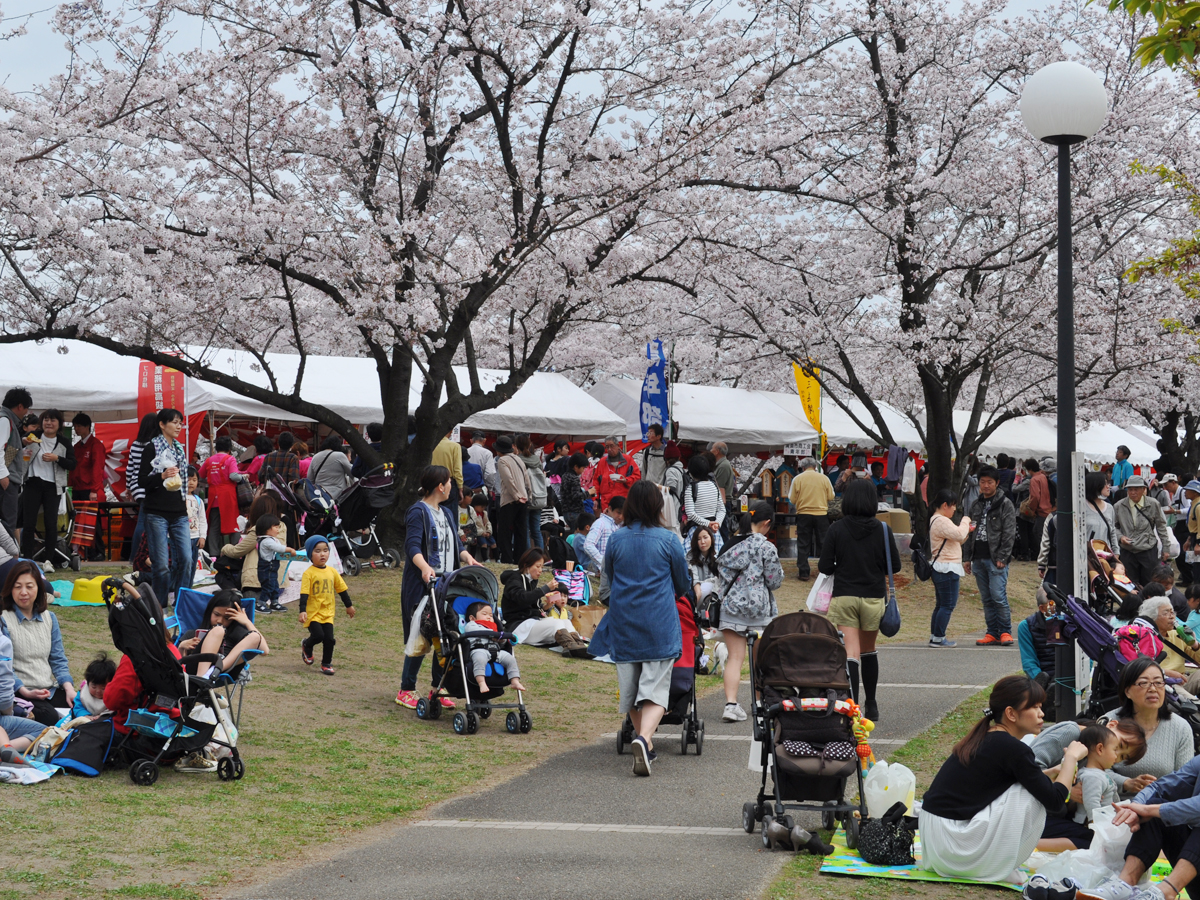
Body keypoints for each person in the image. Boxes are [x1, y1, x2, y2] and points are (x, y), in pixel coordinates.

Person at [918, 675, 1085, 883]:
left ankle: (992, 862)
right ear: (1011, 714)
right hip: (954, 848)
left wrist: (1050, 772)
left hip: (937, 845)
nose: (1041, 713)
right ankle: (995, 865)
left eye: (1041, 707)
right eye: (1034, 707)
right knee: (1030, 796)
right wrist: (1071, 758)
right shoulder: (1013, 748)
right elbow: (1055, 800)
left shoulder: (988, 737)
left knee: (1026, 787)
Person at [589, 480, 691, 777]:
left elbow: (607, 584)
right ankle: (644, 740)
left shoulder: (616, 539)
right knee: (656, 689)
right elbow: (682, 584)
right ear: (657, 506)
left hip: (624, 621)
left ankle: (645, 743)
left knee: (631, 689)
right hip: (659, 621)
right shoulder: (668, 539)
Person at [394, 466, 479, 710]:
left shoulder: (447, 513)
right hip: (423, 584)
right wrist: (424, 568)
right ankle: (406, 689)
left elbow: (456, 545)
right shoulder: (417, 512)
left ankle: (438, 687)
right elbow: (412, 547)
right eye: (450, 481)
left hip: (446, 583)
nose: (452, 486)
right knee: (421, 632)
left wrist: (468, 559)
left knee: (445, 633)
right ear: (441, 486)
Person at [817, 478, 900, 721]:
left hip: (845, 596)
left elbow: (824, 566)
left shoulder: (836, 529)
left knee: (850, 652)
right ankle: (871, 704)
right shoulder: (883, 529)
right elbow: (894, 566)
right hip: (873, 596)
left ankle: (852, 706)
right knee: (869, 650)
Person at [716, 501, 784, 723]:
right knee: (759, 660)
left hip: (731, 609)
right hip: (758, 612)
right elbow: (774, 581)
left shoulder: (728, 545)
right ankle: (759, 703)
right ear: (766, 523)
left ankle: (731, 705)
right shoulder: (765, 547)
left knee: (734, 658)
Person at [1038, 722, 1147, 852]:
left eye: (1122, 757)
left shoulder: (1093, 760)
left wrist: (1127, 783)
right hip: (1035, 813)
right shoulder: (1070, 733)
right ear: (1112, 724)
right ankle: (1029, 845)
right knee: (1094, 841)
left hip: (1053, 813)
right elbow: (1027, 772)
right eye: (1119, 746)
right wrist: (1066, 790)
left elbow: (1105, 780)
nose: (1117, 755)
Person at [1107, 657, 1195, 798]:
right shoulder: (1110, 723)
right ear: (1127, 691)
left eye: (1158, 683)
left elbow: (1185, 779)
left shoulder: (1180, 727)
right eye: (1143, 683)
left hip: (1162, 806)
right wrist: (1126, 783)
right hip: (1115, 805)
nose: (1153, 689)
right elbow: (1093, 770)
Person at [1, 560, 75, 725]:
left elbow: (58, 659)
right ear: (10, 589)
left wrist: (69, 688)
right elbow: (5, 668)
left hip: (48, 691)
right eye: (18, 587)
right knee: (49, 717)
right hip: (19, 692)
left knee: (80, 707)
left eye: (29, 586)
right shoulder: (3, 620)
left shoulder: (50, 618)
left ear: (39, 588)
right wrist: (25, 691)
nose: (24, 592)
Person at [140, 408, 191, 607]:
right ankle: (159, 606)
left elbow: (184, 481)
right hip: (156, 512)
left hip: (179, 512)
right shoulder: (151, 448)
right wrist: (161, 476)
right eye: (174, 422)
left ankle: (180, 603)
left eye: (180, 423)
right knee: (161, 565)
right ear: (162, 424)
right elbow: (142, 480)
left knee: (186, 559)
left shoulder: (179, 449)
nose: (178, 427)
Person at [963, 464, 1017, 647]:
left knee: (998, 596)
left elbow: (1009, 532)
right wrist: (967, 557)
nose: (985, 485)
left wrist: (1003, 556)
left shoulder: (1005, 504)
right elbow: (970, 531)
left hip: (996, 559)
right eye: (982, 482)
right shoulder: (976, 504)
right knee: (986, 598)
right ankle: (992, 632)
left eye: (989, 482)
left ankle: (1005, 632)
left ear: (997, 483)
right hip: (978, 557)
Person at [19, 408, 77, 569]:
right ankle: (28, 559)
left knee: (51, 523)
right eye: (46, 420)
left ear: (59, 424)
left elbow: (72, 464)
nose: (49, 423)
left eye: (52, 420)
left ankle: (48, 561)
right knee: (29, 523)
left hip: (53, 486)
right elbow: (19, 445)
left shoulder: (64, 442)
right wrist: (24, 443)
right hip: (32, 482)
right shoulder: (33, 437)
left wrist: (56, 458)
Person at [499, 549, 588, 653]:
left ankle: (579, 645)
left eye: (541, 567)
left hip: (531, 623)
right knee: (555, 623)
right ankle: (571, 647)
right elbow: (522, 598)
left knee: (565, 622)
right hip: (518, 627)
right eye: (538, 566)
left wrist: (546, 607)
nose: (540, 570)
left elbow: (532, 607)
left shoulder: (531, 581)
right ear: (526, 565)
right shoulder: (514, 580)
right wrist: (545, 589)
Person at [298, 535, 355, 676]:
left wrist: (349, 606)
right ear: (310, 554)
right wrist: (302, 611)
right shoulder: (308, 573)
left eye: (325, 550)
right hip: (313, 613)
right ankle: (307, 645)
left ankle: (326, 664)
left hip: (328, 613)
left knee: (329, 639)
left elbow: (342, 590)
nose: (322, 554)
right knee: (318, 635)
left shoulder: (332, 571)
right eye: (317, 551)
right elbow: (304, 594)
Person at [927, 489, 971, 647]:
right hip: (947, 568)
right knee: (947, 605)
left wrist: (966, 531)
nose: (954, 509)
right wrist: (965, 521)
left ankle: (935, 636)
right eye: (953, 505)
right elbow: (959, 535)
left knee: (941, 604)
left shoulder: (937, 519)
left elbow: (957, 539)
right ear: (945, 505)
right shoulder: (941, 520)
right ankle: (939, 637)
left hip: (941, 567)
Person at [194, 590, 271, 676]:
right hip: (195, 669)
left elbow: (264, 651)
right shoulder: (194, 633)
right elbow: (182, 661)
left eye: (227, 618)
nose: (220, 621)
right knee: (218, 630)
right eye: (217, 614)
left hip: (221, 671)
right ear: (210, 611)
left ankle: (212, 672)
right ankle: (202, 677)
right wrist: (183, 646)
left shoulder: (235, 632)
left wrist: (247, 622)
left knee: (255, 636)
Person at [1115, 475, 1173, 586]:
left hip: (1148, 549)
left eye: (1136, 489)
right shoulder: (1119, 506)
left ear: (1143, 489)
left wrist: (1166, 548)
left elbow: (1161, 527)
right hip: (1128, 550)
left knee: (1149, 582)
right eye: (1130, 489)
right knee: (1130, 584)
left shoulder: (1153, 504)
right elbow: (1114, 527)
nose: (1133, 492)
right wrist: (1120, 537)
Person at [220, 493, 279, 601]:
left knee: (221, 572)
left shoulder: (260, 529)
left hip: (258, 580)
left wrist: (225, 548)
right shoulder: (281, 526)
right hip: (278, 578)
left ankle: (234, 590)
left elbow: (237, 551)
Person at [462, 601, 526, 693]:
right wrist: (493, 634)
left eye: (491, 615)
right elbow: (476, 631)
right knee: (479, 659)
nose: (489, 617)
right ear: (472, 618)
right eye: (484, 614)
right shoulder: (472, 625)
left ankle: (514, 681)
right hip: (479, 649)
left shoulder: (494, 628)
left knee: (510, 659)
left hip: (496, 651)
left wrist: (502, 640)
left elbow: (501, 644)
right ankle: (481, 682)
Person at [198, 436, 247, 554]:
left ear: (216, 448)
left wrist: (211, 480)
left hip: (213, 495)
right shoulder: (230, 459)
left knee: (214, 525)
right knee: (233, 523)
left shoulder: (209, 460)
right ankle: (235, 551)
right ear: (229, 449)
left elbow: (200, 476)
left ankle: (213, 554)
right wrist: (242, 478)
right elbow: (233, 476)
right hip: (227, 495)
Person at [0, 616, 43, 747]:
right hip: (15, 696)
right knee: (46, 732)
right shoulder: (3, 642)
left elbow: (59, 659)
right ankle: (6, 749)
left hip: (40, 688)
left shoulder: (49, 618)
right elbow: (4, 696)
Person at [789, 457, 834, 582]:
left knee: (803, 542)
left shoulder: (797, 479)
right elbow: (831, 496)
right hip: (821, 514)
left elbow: (792, 499)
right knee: (824, 543)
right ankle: (826, 570)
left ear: (803, 467)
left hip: (804, 514)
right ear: (815, 467)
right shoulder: (824, 478)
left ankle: (804, 572)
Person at [0, 387, 33, 534]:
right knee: (8, 523)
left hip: (7, 477)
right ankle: (7, 550)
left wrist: (20, 442)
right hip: (6, 479)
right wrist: (3, 476)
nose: (26, 412)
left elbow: (6, 448)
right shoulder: (5, 420)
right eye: (26, 408)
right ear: (20, 406)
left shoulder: (6, 420)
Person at [494, 435, 531, 564]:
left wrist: (516, 496)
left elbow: (508, 480)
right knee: (521, 531)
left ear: (499, 450)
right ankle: (519, 559)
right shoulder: (518, 459)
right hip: (524, 498)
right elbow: (527, 479)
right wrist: (528, 496)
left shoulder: (502, 461)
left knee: (504, 532)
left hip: (510, 500)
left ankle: (507, 559)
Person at [1018, 587, 1057, 691]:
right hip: (1044, 680)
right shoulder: (1026, 626)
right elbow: (1029, 661)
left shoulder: (1070, 621)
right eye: (1052, 604)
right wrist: (1042, 684)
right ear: (1042, 608)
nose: (1058, 607)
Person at [255, 513, 294, 614]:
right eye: (276, 527)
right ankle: (261, 604)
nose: (278, 530)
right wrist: (289, 549)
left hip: (272, 568)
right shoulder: (266, 540)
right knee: (268, 586)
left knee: (275, 586)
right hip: (266, 568)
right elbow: (279, 548)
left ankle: (274, 602)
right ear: (267, 528)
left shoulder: (273, 539)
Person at [514, 434, 548, 549]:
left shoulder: (517, 460)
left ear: (516, 446)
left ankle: (528, 555)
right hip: (538, 497)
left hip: (525, 497)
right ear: (529, 445)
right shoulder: (536, 460)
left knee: (525, 531)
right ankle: (540, 555)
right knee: (536, 530)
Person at [683, 454, 725, 543]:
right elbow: (722, 510)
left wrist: (708, 523)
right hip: (713, 532)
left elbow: (690, 513)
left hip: (696, 532)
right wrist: (717, 523)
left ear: (691, 472)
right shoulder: (714, 486)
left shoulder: (690, 488)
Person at [594, 435, 641, 512]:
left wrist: (626, 480)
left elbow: (637, 477)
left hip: (624, 501)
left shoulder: (628, 460)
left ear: (618, 446)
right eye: (607, 447)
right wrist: (595, 499)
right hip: (606, 503)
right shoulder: (602, 462)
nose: (609, 449)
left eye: (612, 446)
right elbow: (596, 482)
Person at [68, 413, 107, 502]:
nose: (76, 429)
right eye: (75, 426)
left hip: (89, 488)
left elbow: (98, 468)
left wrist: (94, 490)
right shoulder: (77, 446)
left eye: (79, 426)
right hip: (77, 488)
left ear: (87, 426)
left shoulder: (96, 445)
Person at [583, 495, 624, 574]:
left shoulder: (621, 526)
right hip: (601, 569)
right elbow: (588, 545)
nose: (621, 516)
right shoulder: (600, 523)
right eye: (618, 512)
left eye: (624, 514)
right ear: (610, 509)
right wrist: (603, 562)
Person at [71, 652, 117, 719]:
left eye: (103, 688)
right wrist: (85, 715)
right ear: (88, 683)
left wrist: (102, 717)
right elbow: (78, 708)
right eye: (94, 687)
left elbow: (114, 711)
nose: (98, 691)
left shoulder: (114, 697)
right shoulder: (82, 695)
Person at [307, 435, 354, 499]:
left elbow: (310, 478)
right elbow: (352, 473)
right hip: (338, 495)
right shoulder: (340, 455)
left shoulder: (315, 456)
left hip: (320, 494)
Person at [184, 467, 207, 589]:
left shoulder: (198, 501)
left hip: (195, 538)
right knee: (183, 564)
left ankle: (188, 589)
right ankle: (179, 589)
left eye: (194, 480)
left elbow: (202, 520)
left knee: (192, 566)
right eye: (188, 479)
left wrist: (202, 536)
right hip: (182, 538)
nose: (191, 483)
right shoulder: (179, 498)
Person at [431, 429, 464, 512]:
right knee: (449, 514)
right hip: (448, 483)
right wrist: (460, 487)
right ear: (451, 431)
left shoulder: (430, 446)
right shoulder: (455, 446)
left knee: (432, 511)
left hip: (431, 481)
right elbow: (457, 470)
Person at [688, 527, 720, 609]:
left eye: (705, 537)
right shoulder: (690, 557)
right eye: (699, 539)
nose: (702, 542)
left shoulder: (717, 557)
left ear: (711, 539)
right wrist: (698, 589)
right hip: (695, 594)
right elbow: (694, 578)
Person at [462, 495, 496, 562]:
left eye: (484, 507)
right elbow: (473, 525)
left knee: (493, 543)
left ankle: (497, 558)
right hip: (478, 533)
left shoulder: (484, 513)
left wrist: (488, 531)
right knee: (483, 543)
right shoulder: (472, 513)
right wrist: (481, 533)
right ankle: (485, 559)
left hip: (485, 532)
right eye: (481, 507)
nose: (483, 509)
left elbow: (488, 523)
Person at [558, 453, 588, 529]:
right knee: (578, 533)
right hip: (575, 512)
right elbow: (576, 496)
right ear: (576, 467)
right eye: (583, 468)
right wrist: (588, 493)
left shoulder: (565, 476)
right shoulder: (574, 478)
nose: (583, 470)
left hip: (566, 512)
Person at [710, 442, 736, 506]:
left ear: (717, 451)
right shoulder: (721, 464)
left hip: (723, 502)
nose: (710, 451)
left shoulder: (723, 466)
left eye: (712, 449)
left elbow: (719, 486)